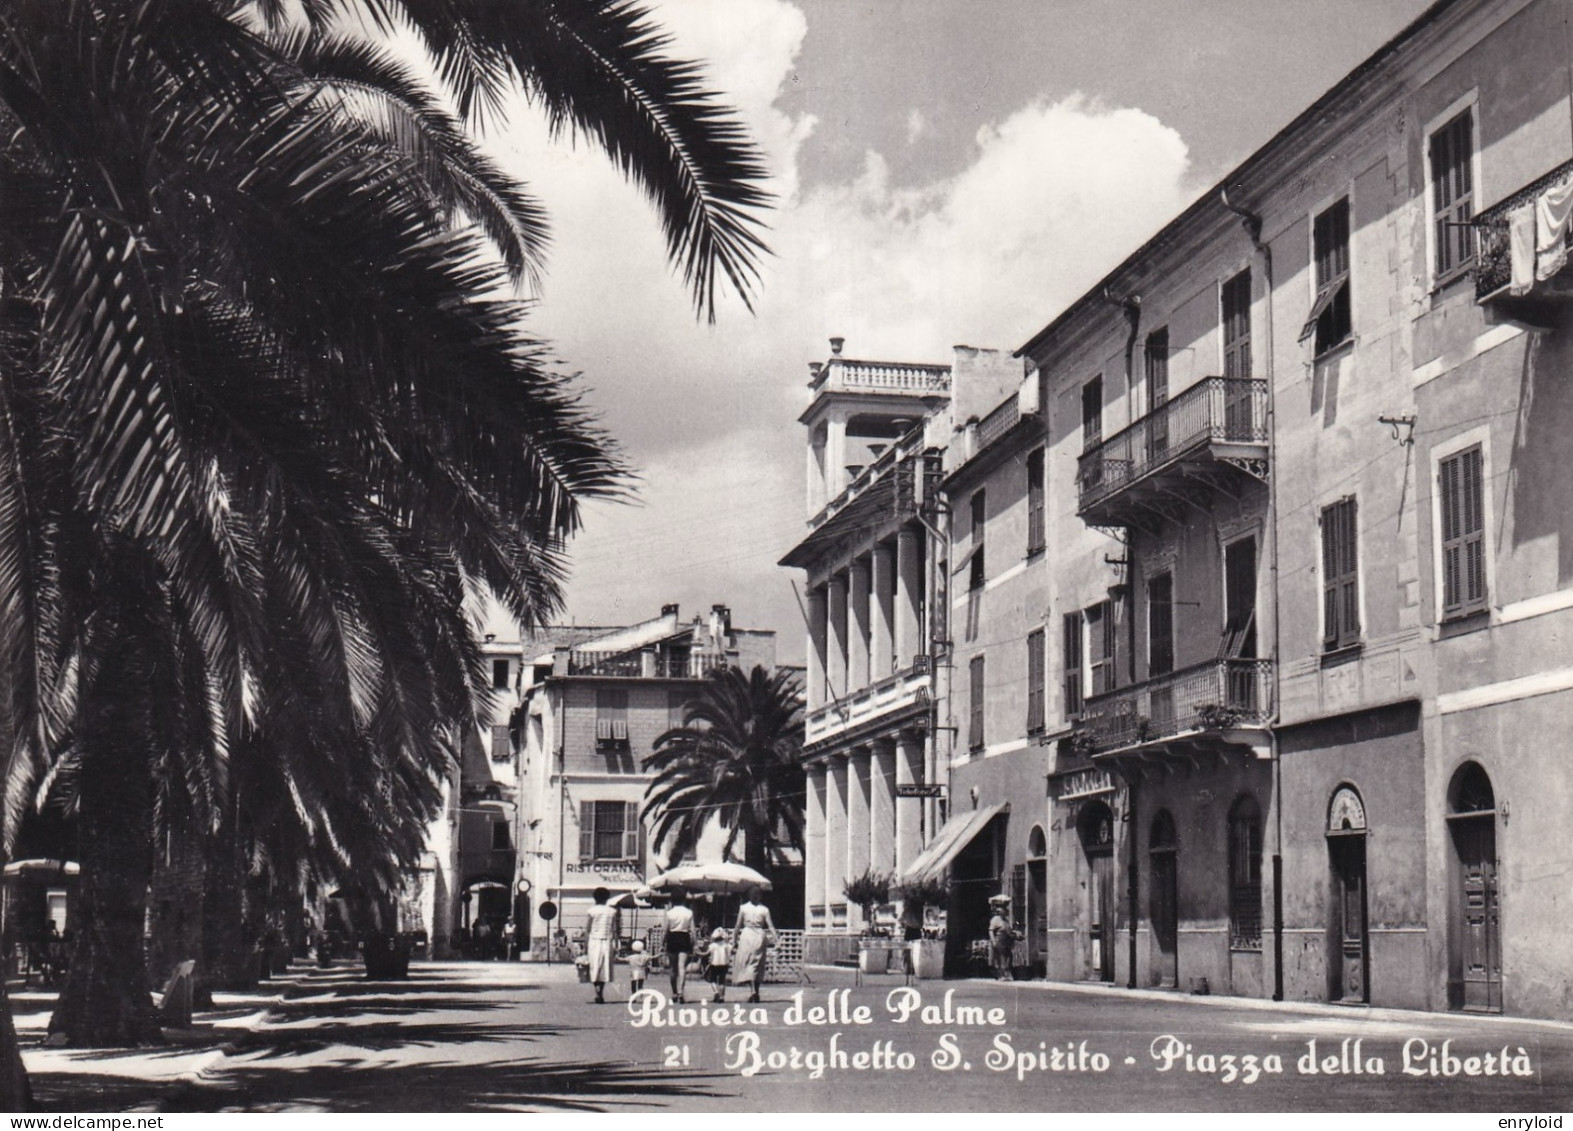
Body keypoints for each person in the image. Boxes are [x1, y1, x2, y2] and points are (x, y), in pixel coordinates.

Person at [730, 886, 777, 1003]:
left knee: (748, 964)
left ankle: (752, 991)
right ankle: (756, 990)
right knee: (758, 964)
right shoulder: (764, 909)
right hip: (759, 936)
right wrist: (777, 939)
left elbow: (737, 926)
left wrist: (734, 941)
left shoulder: (743, 908)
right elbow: (770, 926)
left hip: (747, 936)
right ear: (760, 895)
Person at [584, 887, 620, 1003]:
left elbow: (588, 929)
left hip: (594, 941)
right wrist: (616, 944)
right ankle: (601, 992)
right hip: (607, 941)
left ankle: (597, 990)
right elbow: (615, 930)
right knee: (605, 967)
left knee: (594, 966)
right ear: (607, 898)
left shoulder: (591, 910)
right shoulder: (612, 911)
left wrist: (585, 946)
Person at [663, 888, 696, 1002]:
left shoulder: (669, 913)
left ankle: (674, 993)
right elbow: (693, 930)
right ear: (683, 899)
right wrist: (695, 943)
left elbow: (665, 930)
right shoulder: (689, 912)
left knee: (673, 968)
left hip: (672, 937)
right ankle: (681, 992)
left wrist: (663, 943)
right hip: (684, 937)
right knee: (682, 966)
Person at [988, 895, 1016, 982]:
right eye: (1004, 909)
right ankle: (1001, 975)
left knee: (1008, 957)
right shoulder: (995, 919)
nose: (1006, 911)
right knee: (1000, 958)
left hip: (1006, 942)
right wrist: (993, 942)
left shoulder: (1006, 920)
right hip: (999, 941)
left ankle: (1007, 974)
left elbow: (1008, 931)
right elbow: (991, 931)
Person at [705, 928, 731, 1002]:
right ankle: (722, 997)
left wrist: (698, 953)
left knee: (713, 980)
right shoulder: (727, 945)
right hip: (724, 964)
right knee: (722, 981)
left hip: (714, 964)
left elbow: (706, 953)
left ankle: (716, 992)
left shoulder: (712, 945)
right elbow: (733, 951)